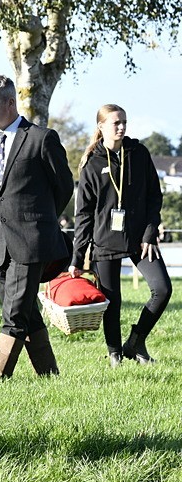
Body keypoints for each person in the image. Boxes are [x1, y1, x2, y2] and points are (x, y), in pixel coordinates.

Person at [0, 76, 74, 379]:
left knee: (14, 313)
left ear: (9, 102)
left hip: (31, 242)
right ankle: (49, 375)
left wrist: (40, 221)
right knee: (26, 310)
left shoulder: (42, 138)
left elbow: (64, 186)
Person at [69, 105, 172, 366]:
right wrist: (77, 258)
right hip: (104, 241)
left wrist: (150, 233)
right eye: (116, 123)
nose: (122, 127)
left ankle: (136, 342)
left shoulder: (139, 153)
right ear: (101, 126)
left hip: (140, 239)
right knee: (112, 302)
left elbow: (154, 196)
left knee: (162, 289)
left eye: (124, 122)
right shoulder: (91, 163)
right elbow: (83, 214)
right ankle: (115, 353)